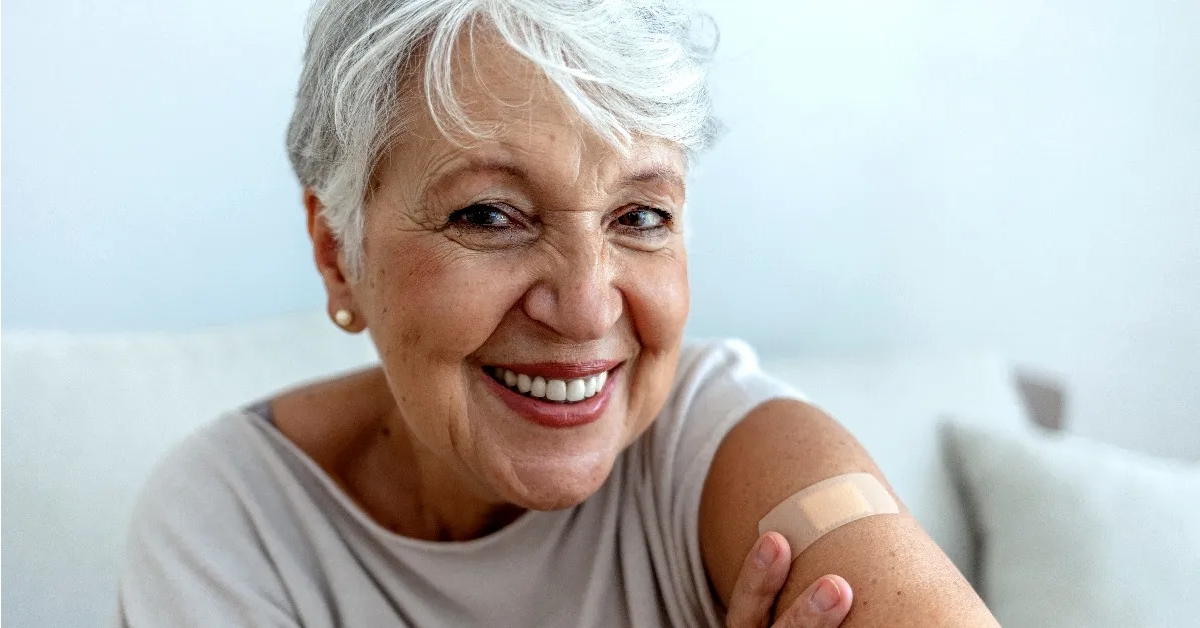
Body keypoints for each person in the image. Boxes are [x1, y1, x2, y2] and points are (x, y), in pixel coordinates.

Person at [116, 1, 999, 626]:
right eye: (489, 215)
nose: (584, 306)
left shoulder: (728, 445)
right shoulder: (230, 522)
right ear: (336, 252)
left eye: (639, 217)